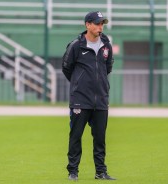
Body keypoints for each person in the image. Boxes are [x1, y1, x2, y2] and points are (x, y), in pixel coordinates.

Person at [62, 11, 115, 181]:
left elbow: (108, 67)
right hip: (80, 100)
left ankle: (101, 172)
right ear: (87, 25)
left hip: (100, 100)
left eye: (102, 24)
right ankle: (73, 171)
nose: (100, 27)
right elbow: (66, 68)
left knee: (100, 139)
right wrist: (80, 84)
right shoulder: (76, 45)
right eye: (97, 23)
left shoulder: (106, 45)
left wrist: (100, 88)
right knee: (76, 137)